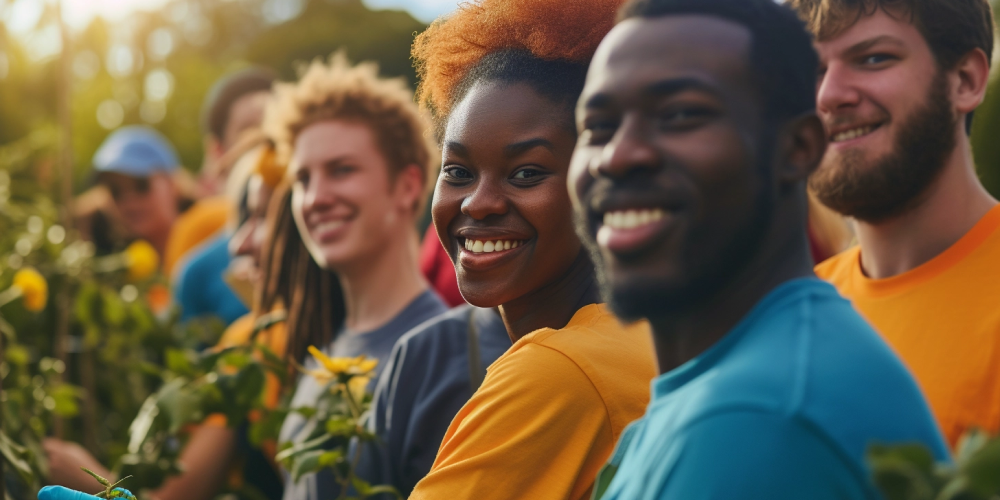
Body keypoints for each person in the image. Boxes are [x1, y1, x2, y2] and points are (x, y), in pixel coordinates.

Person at [568, 0, 948, 497]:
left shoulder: (756, 417)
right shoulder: (731, 384)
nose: (617, 156)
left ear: (797, 149)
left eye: (680, 115)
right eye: (598, 127)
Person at [406, 1, 656, 498]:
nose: (478, 203)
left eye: (526, 173)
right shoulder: (658, 335)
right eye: (457, 171)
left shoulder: (560, 372)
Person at [789, 0, 1000, 448]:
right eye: (810, 72)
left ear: (965, 80)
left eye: (873, 59)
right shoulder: (794, 313)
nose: (829, 95)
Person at [265, 53, 448, 500]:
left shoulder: (442, 352)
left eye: (342, 170)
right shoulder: (324, 351)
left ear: (407, 186)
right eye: (303, 179)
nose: (315, 198)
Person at [163, 67, 276, 276]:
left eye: (275, 123)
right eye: (248, 131)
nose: (265, 139)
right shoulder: (198, 273)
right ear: (218, 151)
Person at [89, 126, 184, 258]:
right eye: (115, 191)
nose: (129, 201)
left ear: (172, 184)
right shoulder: (112, 268)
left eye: (141, 185)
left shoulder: (212, 244)